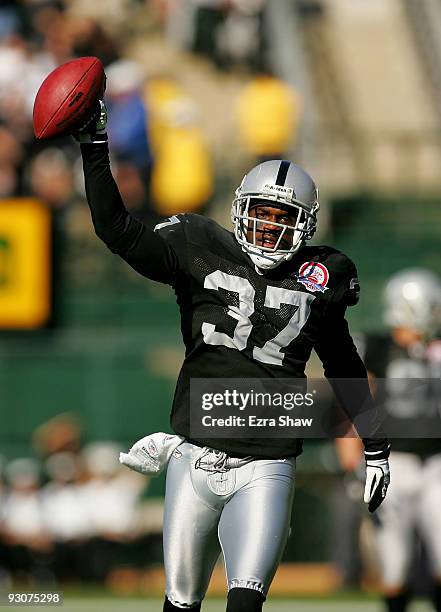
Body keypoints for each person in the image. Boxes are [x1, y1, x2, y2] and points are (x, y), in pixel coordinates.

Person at [75, 100, 390, 612]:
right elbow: (118, 230)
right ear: (240, 209)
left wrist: (374, 444)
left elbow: (344, 364)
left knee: (245, 604)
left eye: (281, 218)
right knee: (180, 604)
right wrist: (93, 147)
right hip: (196, 454)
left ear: (305, 224)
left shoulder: (322, 275)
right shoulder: (199, 244)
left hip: (267, 462)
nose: (267, 229)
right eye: (261, 215)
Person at [336, 269, 441, 612]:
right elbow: (354, 405)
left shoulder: (436, 349)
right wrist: (353, 460)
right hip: (392, 462)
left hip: (437, 464)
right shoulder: (378, 346)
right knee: (395, 564)